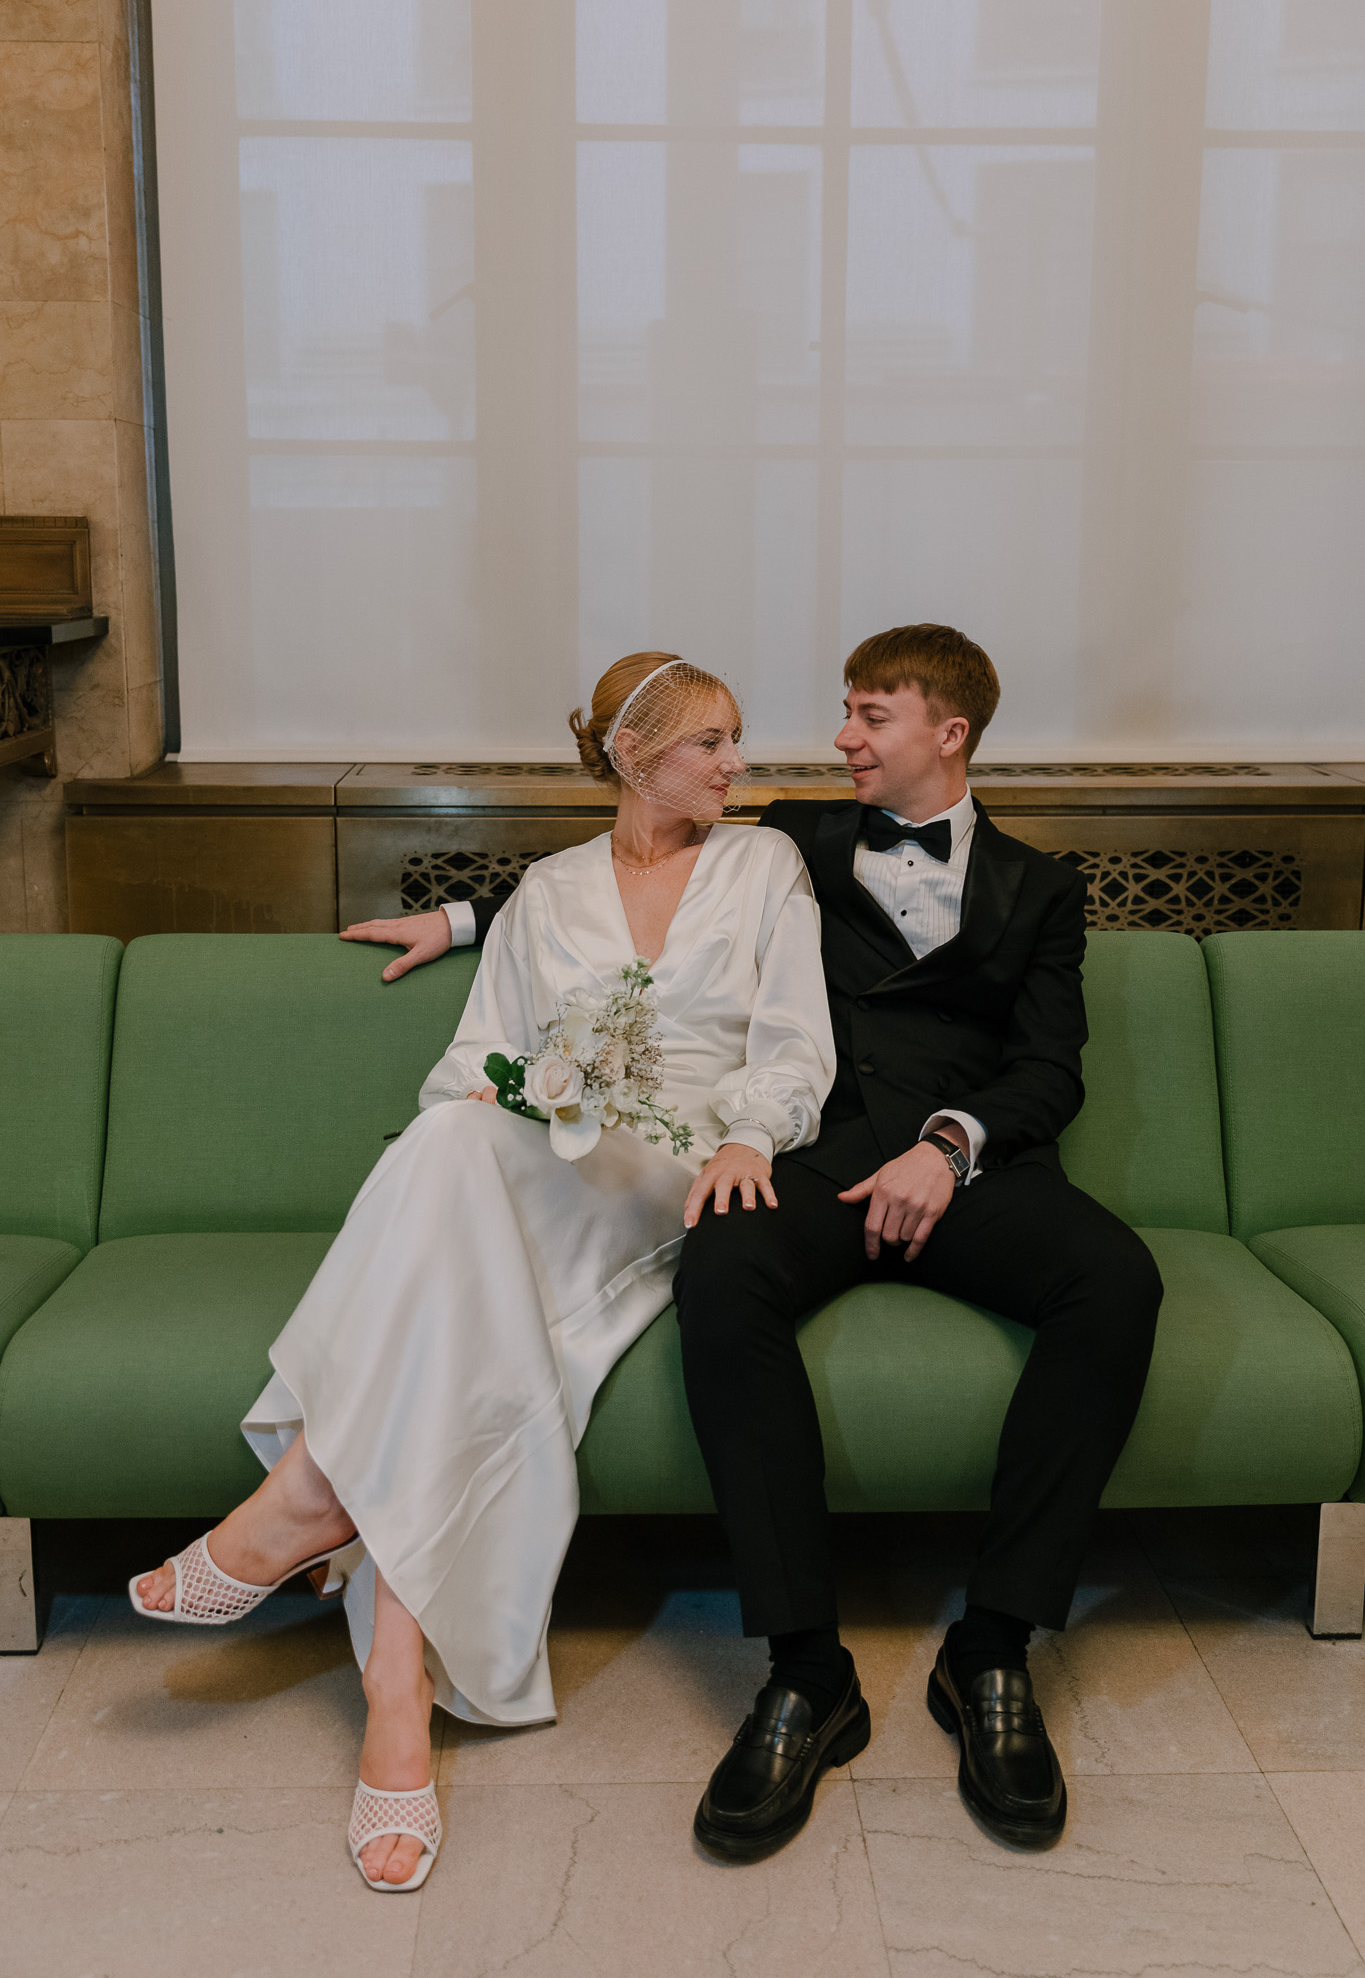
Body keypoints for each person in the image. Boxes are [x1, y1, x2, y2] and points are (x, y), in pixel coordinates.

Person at [128, 652, 835, 1892]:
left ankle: (305, 1498)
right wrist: (521, 1076)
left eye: (737, 739)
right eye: (708, 742)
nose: (736, 763)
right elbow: (468, 1070)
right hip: (537, 1172)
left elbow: (794, 1047)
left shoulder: (767, 865)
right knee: (455, 1158)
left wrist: (745, 1133)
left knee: (451, 1178)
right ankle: (395, 1688)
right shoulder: (548, 891)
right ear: (630, 754)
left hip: (675, 1177)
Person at [674, 623, 1164, 1859]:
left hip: (967, 1166)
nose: (843, 735)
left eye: (870, 713)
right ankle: (805, 1669)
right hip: (827, 1152)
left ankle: (993, 1645)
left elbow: (1052, 1068)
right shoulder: (797, 836)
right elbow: (637, 874)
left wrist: (950, 1147)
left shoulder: (1044, 886)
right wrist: (470, 918)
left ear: (947, 733)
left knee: (1115, 1280)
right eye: (846, 711)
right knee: (721, 1262)